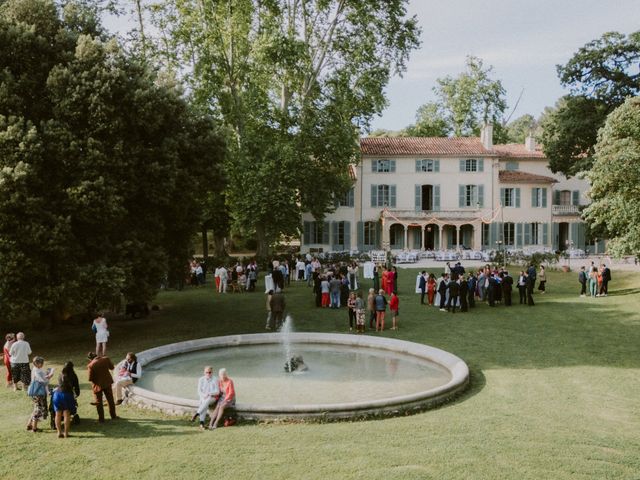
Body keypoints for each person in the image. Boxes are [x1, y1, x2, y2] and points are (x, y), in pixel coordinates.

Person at [87, 352, 117, 423]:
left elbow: (90, 378)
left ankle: (101, 419)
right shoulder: (106, 359)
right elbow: (112, 367)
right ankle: (113, 416)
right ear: (96, 355)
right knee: (110, 399)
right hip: (107, 382)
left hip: (97, 385)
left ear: (90, 359)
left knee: (98, 402)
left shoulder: (90, 365)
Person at [27, 356, 53, 432]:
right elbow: (42, 381)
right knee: (39, 409)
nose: (42, 364)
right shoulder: (37, 371)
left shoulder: (35, 369)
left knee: (36, 407)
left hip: (35, 392)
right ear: (37, 363)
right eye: (41, 363)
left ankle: (29, 425)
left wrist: (47, 375)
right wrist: (49, 376)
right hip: (39, 393)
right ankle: (34, 428)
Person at [52, 363, 78, 438]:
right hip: (67, 395)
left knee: (58, 414)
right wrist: (76, 394)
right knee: (67, 414)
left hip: (57, 395)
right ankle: (66, 433)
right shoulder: (73, 375)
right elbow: (76, 387)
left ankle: (59, 432)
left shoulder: (61, 374)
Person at [191, 366, 220, 430]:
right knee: (204, 403)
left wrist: (210, 394)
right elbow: (199, 391)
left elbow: (217, 392)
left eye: (210, 372)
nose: (208, 374)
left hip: (213, 398)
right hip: (203, 397)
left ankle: (197, 414)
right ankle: (202, 423)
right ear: (204, 372)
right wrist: (204, 396)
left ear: (212, 372)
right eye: (207, 372)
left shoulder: (215, 379)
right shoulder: (201, 379)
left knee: (208, 399)